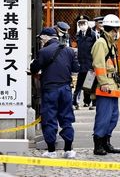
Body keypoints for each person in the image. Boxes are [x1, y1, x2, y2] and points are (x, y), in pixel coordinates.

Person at [30, 27, 80, 159]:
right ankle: (68, 149)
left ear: (46, 37)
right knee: (66, 118)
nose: (41, 41)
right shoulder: (69, 51)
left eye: (41, 39)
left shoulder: (43, 51)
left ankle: (51, 150)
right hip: (65, 88)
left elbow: (34, 68)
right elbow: (76, 68)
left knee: (50, 118)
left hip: (50, 89)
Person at [91, 14, 120, 155]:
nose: (118, 33)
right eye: (117, 30)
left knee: (113, 116)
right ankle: (98, 144)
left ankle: (106, 142)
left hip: (113, 85)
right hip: (105, 85)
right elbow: (98, 64)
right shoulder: (101, 43)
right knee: (103, 116)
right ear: (112, 30)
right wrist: (103, 82)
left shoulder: (110, 43)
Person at [72, 15, 97, 110]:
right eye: (80, 23)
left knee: (91, 84)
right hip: (81, 63)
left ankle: (93, 103)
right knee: (79, 84)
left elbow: (95, 49)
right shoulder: (78, 34)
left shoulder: (93, 34)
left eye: (83, 23)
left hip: (90, 63)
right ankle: (75, 102)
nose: (82, 25)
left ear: (87, 23)